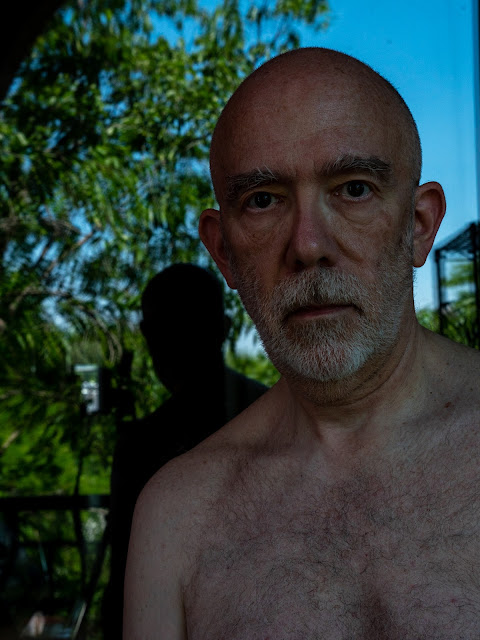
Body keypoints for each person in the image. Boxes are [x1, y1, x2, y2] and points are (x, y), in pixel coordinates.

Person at [124, 48, 480, 638]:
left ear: (418, 226)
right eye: (263, 200)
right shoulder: (178, 519)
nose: (308, 244)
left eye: (354, 189)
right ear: (224, 251)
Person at [103, 264, 266, 639]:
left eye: (185, 329)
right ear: (224, 328)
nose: (178, 344)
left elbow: (121, 593)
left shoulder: (143, 445)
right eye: (170, 331)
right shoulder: (279, 416)